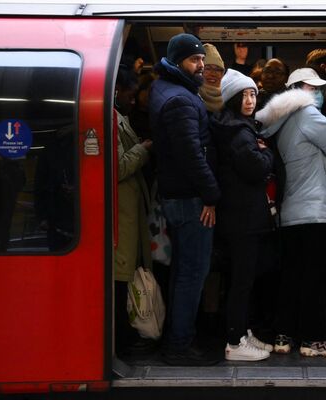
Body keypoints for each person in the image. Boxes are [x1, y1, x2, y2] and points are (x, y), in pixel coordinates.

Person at [256, 68, 326, 357]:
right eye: (312, 88)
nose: (318, 93)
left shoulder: (278, 121)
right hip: (317, 209)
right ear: (296, 89)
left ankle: (284, 335)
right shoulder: (308, 115)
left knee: (292, 275)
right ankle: (313, 339)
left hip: (291, 210)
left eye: (321, 89)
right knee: (315, 278)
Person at [148, 33, 221, 366]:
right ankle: (180, 345)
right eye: (195, 61)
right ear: (178, 61)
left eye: (202, 61)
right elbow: (192, 155)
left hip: (176, 194)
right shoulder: (180, 100)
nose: (201, 67)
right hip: (191, 198)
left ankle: (178, 340)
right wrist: (211, 194)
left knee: (182, 271)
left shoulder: (165, 89)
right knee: (193, 272)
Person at [211, 69, 275, 361]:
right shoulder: (238, 130)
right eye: (244, 94)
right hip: (243, 217)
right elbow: (257, 167)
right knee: (242, 281)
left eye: (253, 94)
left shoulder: (234, 125)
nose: (250, 99)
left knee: (241, 279)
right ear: (232, 98)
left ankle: (241, 332)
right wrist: (268, 155)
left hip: (238, 214)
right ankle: (235, 341)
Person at [113, 65, 154, 359]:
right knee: (119, 277)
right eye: (130, 94)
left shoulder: (119, 118)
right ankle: (121, 338)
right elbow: (117, 168)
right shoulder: (111, 120)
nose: (133, 100)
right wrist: (143, 149)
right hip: (120, 214)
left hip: (127, 212)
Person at [199, 43, 225, 114]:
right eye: (208, 68)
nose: (213, 73)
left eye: (217, 69)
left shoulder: (230, 99)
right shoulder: (191, 98)